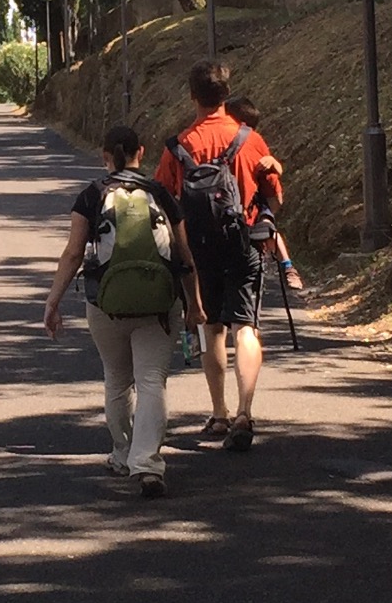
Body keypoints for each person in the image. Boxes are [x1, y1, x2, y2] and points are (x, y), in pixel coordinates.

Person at [42, 123, 201, 495]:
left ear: (105, 157)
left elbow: (73, 253)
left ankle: (122, 453)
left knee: (116, 377)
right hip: (159, 303)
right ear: (140, 153)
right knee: (151, 380)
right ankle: (147, 465)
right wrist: (195, 305)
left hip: (106, 303)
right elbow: (184, 256)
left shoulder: (91, 195)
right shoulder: (160, 193)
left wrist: (53, 300)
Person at [157, 61, 281, 451]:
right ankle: (245, 411)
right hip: (243, 243)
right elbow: (275, 197)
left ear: (192, 96)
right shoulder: (249, 140)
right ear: (227, 94)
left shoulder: (178, 146)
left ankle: (219, 413)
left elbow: (163, 204)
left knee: (211, 328)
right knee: (246, 328)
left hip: (198, 249)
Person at [228, 99, 306, 292]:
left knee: (266, 223)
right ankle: (288, 266)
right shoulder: (253, 140)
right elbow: (272, 179)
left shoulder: (247, 140)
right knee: (267, 225)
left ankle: (288, 265)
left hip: (235, 209)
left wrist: (272, 163)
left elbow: (272, 169)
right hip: (251, 208)